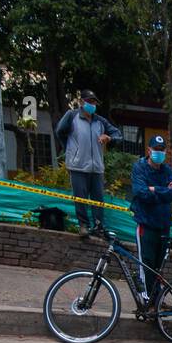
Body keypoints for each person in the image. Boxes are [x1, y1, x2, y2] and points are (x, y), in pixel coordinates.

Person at [54, 90, 119, 237]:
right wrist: (70, 149)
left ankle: (98, 226)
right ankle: (83, 225)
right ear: (81, 102)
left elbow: (117, 134)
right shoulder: (72, 116)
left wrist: (108, 138)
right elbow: (59, 131)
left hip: (96, 168)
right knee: (80, 198)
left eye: (94, 102)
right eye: (89, 101)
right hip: (78, 166)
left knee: (98, 199)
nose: (92, 105)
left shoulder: (100, 121)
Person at [129, 135, 172, 305]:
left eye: (162, 150)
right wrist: (163, 191)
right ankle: (147, 300)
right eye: (156, 150)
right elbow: (141, 193)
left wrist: (154, 190)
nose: (159, 153)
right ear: (149, 150)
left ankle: (157, 300)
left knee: (158, 267)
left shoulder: (166, 170)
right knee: (147, 264)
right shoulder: (140, 168)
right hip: (146, 224)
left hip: (164, 225)